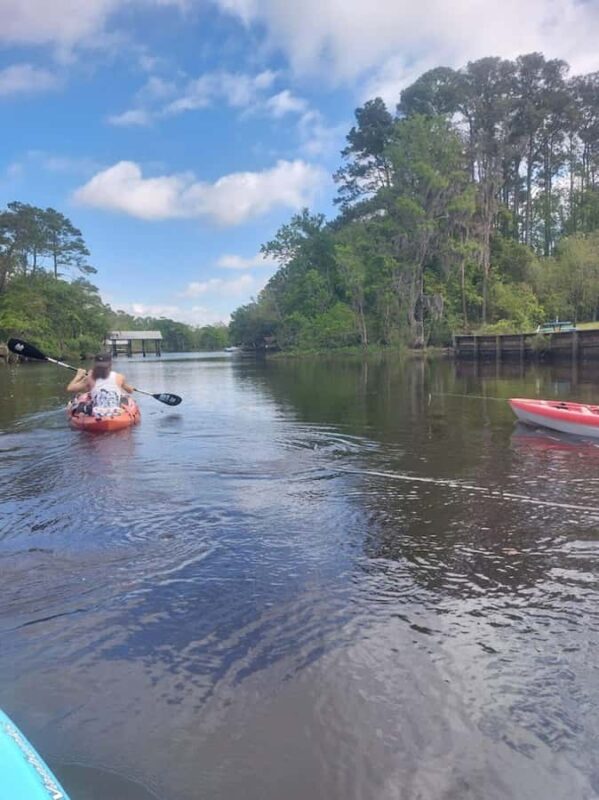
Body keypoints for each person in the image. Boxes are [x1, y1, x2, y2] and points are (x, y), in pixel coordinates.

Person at [67, 353, 134, 415]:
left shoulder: (90, 377)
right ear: (110, 364)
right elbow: (130, 391)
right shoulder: (120, 377)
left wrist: (78, 376)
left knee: (78, 404)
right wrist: (131, 388)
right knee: (125, 399)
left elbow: (70, 388)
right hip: (116, 411)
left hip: (96, 412)